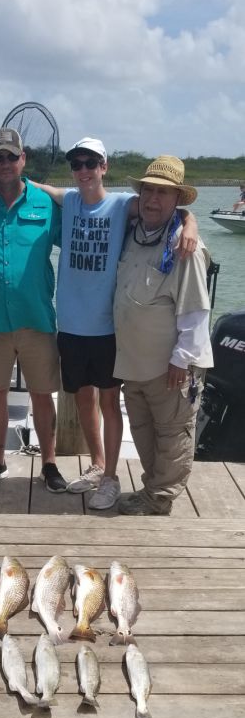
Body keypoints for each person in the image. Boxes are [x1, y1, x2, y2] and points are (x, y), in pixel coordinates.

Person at [34, 138, 198, 510]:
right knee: (83, 398)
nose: (83, 170)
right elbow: (35, 187)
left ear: (104, 167)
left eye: (91, 163)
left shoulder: (124, 204)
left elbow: (170, 209)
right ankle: (97, 465)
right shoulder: (69, 200)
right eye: (77, 164)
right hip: (70, 325)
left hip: (107, 327)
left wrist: (191, 224)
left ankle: (110, 477)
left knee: (109, 402)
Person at [0, 128, 67, 494]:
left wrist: (185, 219)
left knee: (42, 395)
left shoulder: (46, 203)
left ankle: (49, 463)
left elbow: (92, 216)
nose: (5, 163)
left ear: (24, 159)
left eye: (11, 156)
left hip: (37, 318)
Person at [113, 156, 213, 516]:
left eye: (163, 193)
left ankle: (159, 500)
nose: (153, 199)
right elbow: (81, 199)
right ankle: (151, 491)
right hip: (133, 364)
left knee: (172, 436)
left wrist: (181, 360)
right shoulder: (131, 231)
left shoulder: (186, 248)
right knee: (144, 433)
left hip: (170, 368)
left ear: (178, 200)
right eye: (148, 191)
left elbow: (196, 311)